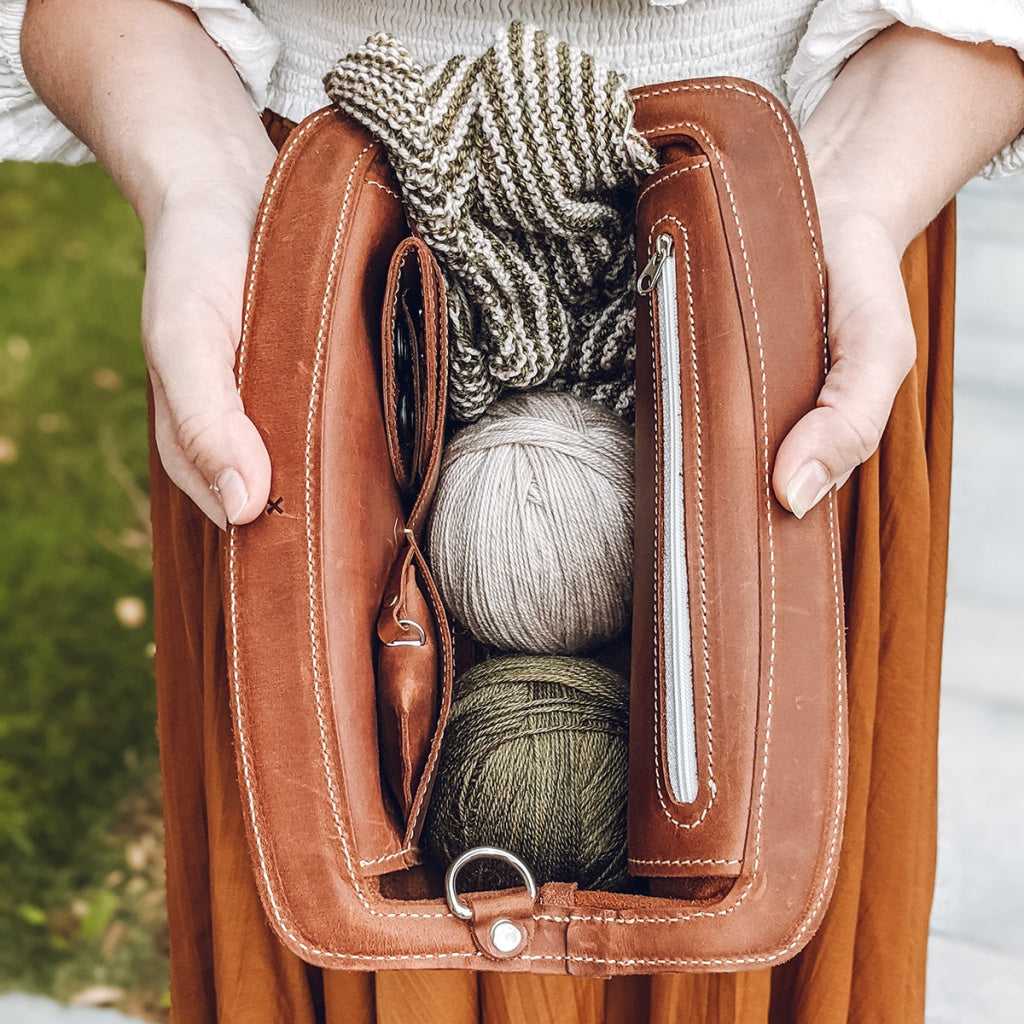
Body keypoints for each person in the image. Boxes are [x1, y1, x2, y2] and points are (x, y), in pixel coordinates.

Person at [5, 1, 1024, 1021]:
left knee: (744, 879)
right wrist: (194, 173)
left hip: (791, 257)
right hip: (310, 270)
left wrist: (855, 195)